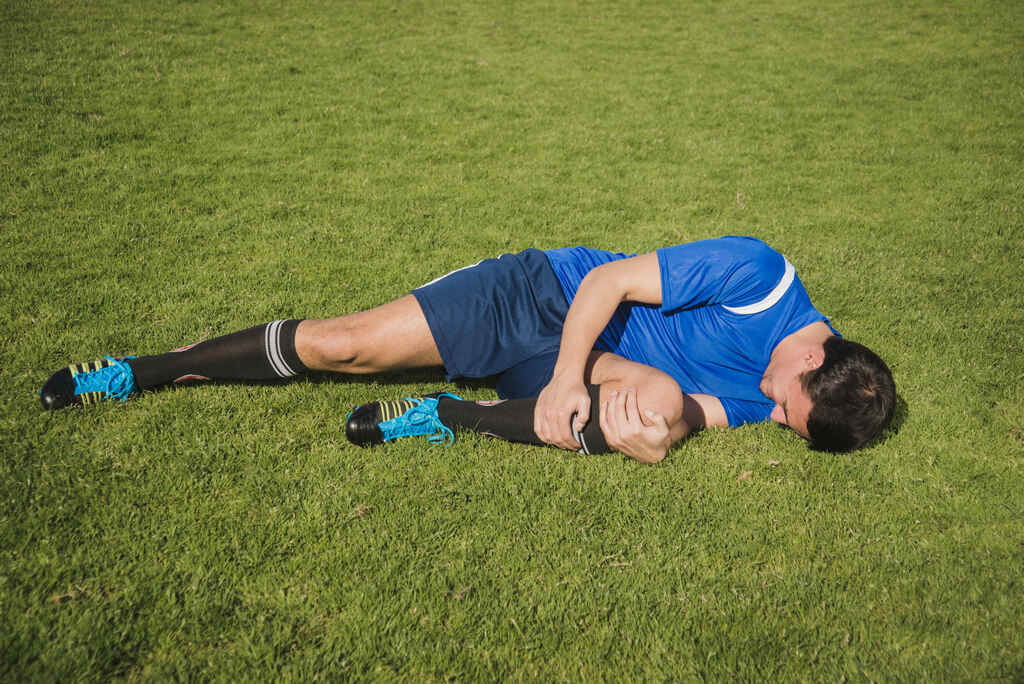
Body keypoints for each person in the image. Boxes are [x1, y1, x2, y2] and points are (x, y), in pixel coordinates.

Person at [39, 236, 896, 461]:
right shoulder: (760, 277)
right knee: (344, 346)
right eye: (782, 403)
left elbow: (691, 412)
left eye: (777, 418)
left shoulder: (780, 397)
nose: (766, 406)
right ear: (814, 361)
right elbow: (606, 290)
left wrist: (648, 433)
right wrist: (567, 381)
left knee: (667, 410)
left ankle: (453, 416)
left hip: (595, 369)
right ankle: (133, 372)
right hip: (546, 296)